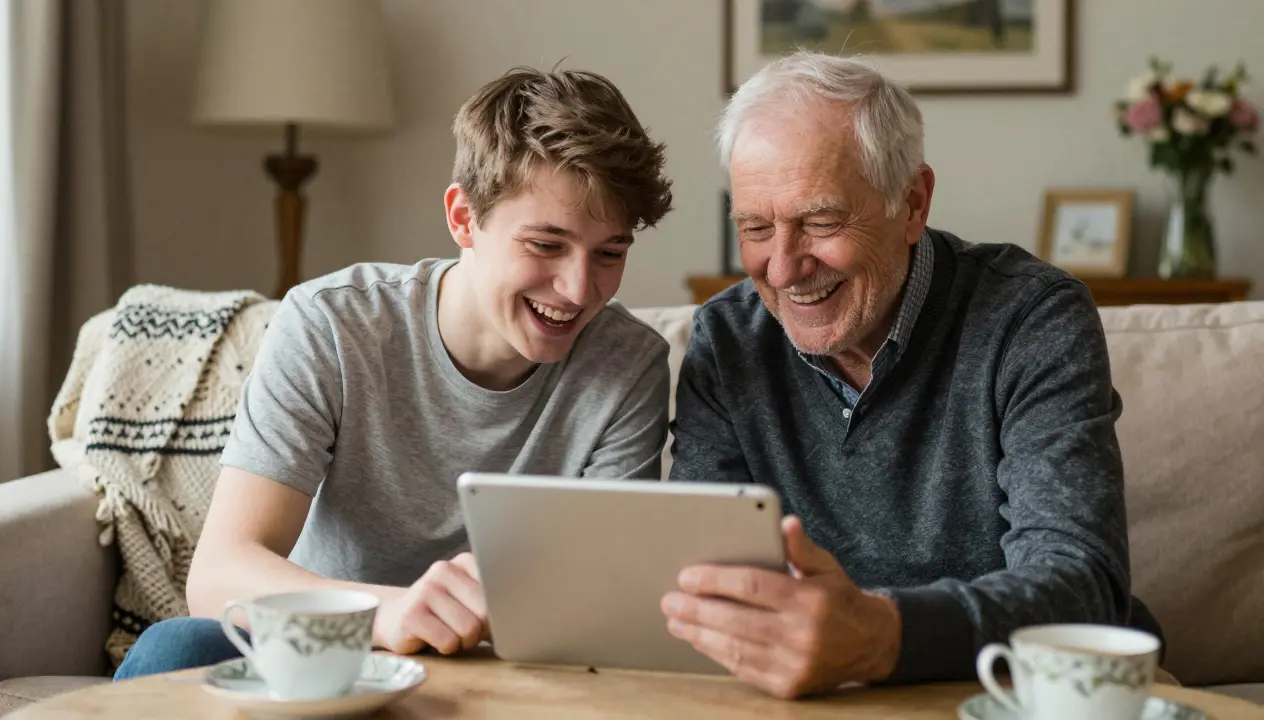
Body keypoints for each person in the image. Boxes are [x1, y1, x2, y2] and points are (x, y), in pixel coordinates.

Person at [114, 65, 675, 678]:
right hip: (330, 649)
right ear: (463, 218)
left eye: (610, 254)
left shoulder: (630, 365)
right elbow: (221, 573)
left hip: (507, 673)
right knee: (178, 648)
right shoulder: (332, 324)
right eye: (545, 245)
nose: (577, 289)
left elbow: (604, 599)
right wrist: (387, 614)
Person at [662, 49, 1164, 699]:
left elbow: (1081, 583)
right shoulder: (728, 341)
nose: (783, 270)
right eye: (756, 228)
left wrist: (882, 633)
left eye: (820, 222)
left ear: (913, 203)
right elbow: (703, 585)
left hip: (1015, 696)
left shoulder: (1030, 318)